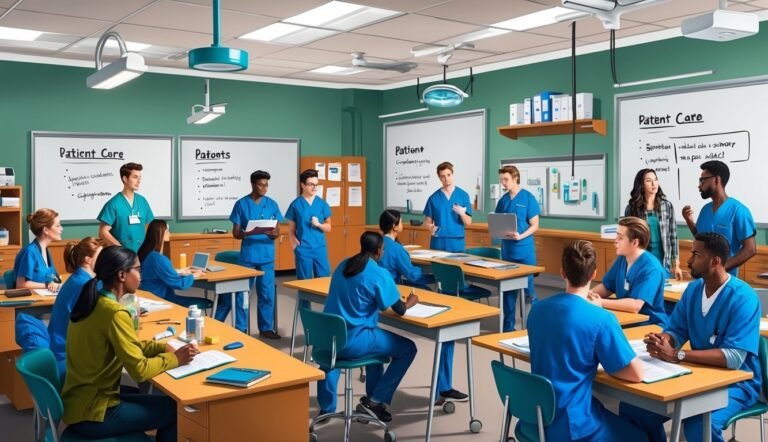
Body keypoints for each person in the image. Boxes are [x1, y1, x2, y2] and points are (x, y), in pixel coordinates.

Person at [620, 232, 762, 442]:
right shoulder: (693, 290)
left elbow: (733, 358)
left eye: (696, 254)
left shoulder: (744, 298)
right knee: (635, 410)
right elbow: (676, 331)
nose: (688, 260)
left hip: (737, 383)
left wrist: (677, 355)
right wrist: (663, 341)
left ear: (715, 261)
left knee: (698, 424)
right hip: (695, 374)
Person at [62, 246, 199, 441]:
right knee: (173, 409)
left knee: (158, 401)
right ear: (121, 275)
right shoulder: (115, 313)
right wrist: (174, 358)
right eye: (138, 269)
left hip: (79, 402)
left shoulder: (95, 303)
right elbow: (139, 371)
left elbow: (128, 345)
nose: (141, 276)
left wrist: (162, 346)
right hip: (95, 413)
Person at [526, 239, 648, 441]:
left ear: (562, 272)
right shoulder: (601, 319)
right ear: (594, 274)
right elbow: (635, 373)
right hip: (573, 424)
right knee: (641, 437)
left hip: (537, 416)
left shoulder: (537, 310)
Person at [318, 232, 418, 424]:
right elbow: (400, 309)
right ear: (379, 251)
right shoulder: (379, 274)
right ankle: (375, 400)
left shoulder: (343, 265)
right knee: (408, 349)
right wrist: (412, 301)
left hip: (329, 337)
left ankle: (327, 408)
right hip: (355, 340)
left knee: (374, 352)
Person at [228, 170, 283, 338]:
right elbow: (236, 233)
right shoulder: (241, 204)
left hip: (267, 256)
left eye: (266, 185)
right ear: (253, 184)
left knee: (267, 294)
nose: (264, 188)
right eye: (261, 184)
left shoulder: (272, 204)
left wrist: (274, 234)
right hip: (248, 256)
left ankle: (266, 328)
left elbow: (277, 230)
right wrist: (249, 232)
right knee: (243, 294)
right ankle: (241, 328)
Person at [587, 217, 669, 328]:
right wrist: (585, 296)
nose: (615, 240)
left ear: (635, 242)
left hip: (649, 325)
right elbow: (607, 287)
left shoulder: (652, 269)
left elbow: (635, 306)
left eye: (620, 238)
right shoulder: (623, 258)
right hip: (627, 319)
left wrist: (601, 302)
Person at [682, 160, 756, 276]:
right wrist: (689, 221)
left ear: (716, 180)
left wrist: (720, 268)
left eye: (702, 180)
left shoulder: (739, 211)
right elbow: (701, 239)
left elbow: (750, 249)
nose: (699, 185)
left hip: (725, 280)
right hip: (703, 278)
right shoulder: (705, 210)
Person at [48, 237, 103, 375]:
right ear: (87, 260)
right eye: (100, 256)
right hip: (66, 352)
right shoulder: (85, 284)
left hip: (59, 345)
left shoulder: (79, 278)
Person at [495, 165, 540, 332]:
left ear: (515, 178)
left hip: (524, 251)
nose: (503, 183)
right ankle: (508, 328)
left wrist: (520, 236)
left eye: (505, 180)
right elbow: (497, 222)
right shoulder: (503, 201)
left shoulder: (528, 198)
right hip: (508, 252)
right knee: (508, 293)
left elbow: (535, 225)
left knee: (529, 292)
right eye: (501, 180)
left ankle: (533, 326)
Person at [137, 220, 209, 309]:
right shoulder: (159, 259)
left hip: (148, 297)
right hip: (161, 299)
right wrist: (194, 275)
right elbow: (180, 284)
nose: (170, 233)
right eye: (167, 231)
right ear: (161, 233)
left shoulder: (146, 253)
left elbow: (155, 273)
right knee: (209, 303)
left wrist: (179, 271)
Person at [286, 169, 331, 310]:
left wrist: (318, 224)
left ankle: (328, 316)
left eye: (316, 184)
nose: (314, 187)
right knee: (304, 285)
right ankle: (306, 317)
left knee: (326, 283)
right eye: (311, 184)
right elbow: (291, 230)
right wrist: (295, 245)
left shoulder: (322, 204)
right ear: (303, 185)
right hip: (303, 249)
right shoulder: (296, 204)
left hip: (320, 248)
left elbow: (329, 228)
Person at [625, 168, 682, 279]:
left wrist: (676, 264)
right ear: (641, 184)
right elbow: (628, 238)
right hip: (641, 261)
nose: (653, 183)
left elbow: (673, 236)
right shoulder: (632, 208)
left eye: (655, 180)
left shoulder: (667, 206)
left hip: (663, 262)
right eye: (648, 180)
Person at [98, 162, 154, 252]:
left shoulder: (142, 201)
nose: (139, 181)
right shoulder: (113, 204)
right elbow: (103, 232)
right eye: (135, 177)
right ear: (125, 179)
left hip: (142, 253)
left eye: (140, 177)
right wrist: (121, 250)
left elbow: (150, 226)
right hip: (122, 257)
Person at [377, 209, 435, 289]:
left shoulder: (377, 242)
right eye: (401, 222)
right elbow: (413, 276)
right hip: (390, 286)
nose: (402, 224)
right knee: (426, 288)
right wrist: (435, 277)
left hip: (378, 284)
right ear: (394, 226)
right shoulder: (397, 248)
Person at [423, 162, 472, 253]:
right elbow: (427, 222)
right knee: (438, 267)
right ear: (439, 178)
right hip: (438, 241)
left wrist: (462, 214)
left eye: (448, 175)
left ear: (452, 174)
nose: (446, 179)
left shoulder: (463, 195)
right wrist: (430, 227)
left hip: (456, 242)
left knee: (456, 267)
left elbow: (468, 222)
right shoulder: (433, 198)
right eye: (443, 176)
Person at [13, 208, 62, 291]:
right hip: (31, 302)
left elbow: (53, 278)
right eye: (58, 225)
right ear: (46, 230)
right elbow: (20, 284)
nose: (61, 229)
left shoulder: (46, 251)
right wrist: (47, 285)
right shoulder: (29, 252)